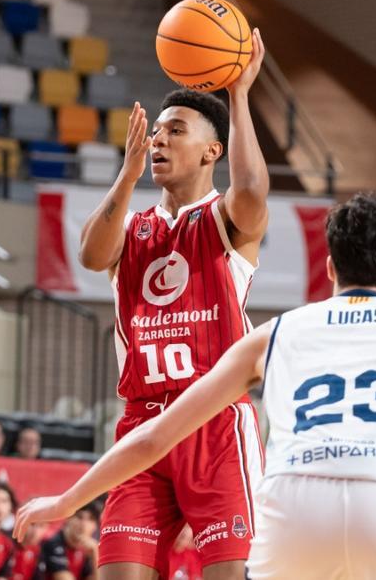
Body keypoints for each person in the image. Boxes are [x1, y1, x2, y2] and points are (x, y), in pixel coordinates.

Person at [16, 193, 376, 579]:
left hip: (292, 507)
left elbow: (155, 437)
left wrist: (67, 501)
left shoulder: (273, 335)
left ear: (329, 267)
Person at [73, 29, 270, 580]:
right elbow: (90, 255)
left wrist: (240, 96)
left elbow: (253, 192)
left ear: (213, 151)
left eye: (175, 131)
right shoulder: (131, 229)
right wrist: (128, 171)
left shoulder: (226, 219)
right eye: (154, 132)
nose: (158, 140)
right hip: (142, 425)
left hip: (214, 421)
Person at [37, 503, 99, 580]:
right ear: (68, 518)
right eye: (79, 517)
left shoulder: (87, 550)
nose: (84, 524)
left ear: (95, 526)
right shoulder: (52, 542)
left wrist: (95, 554)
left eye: (91, 519)